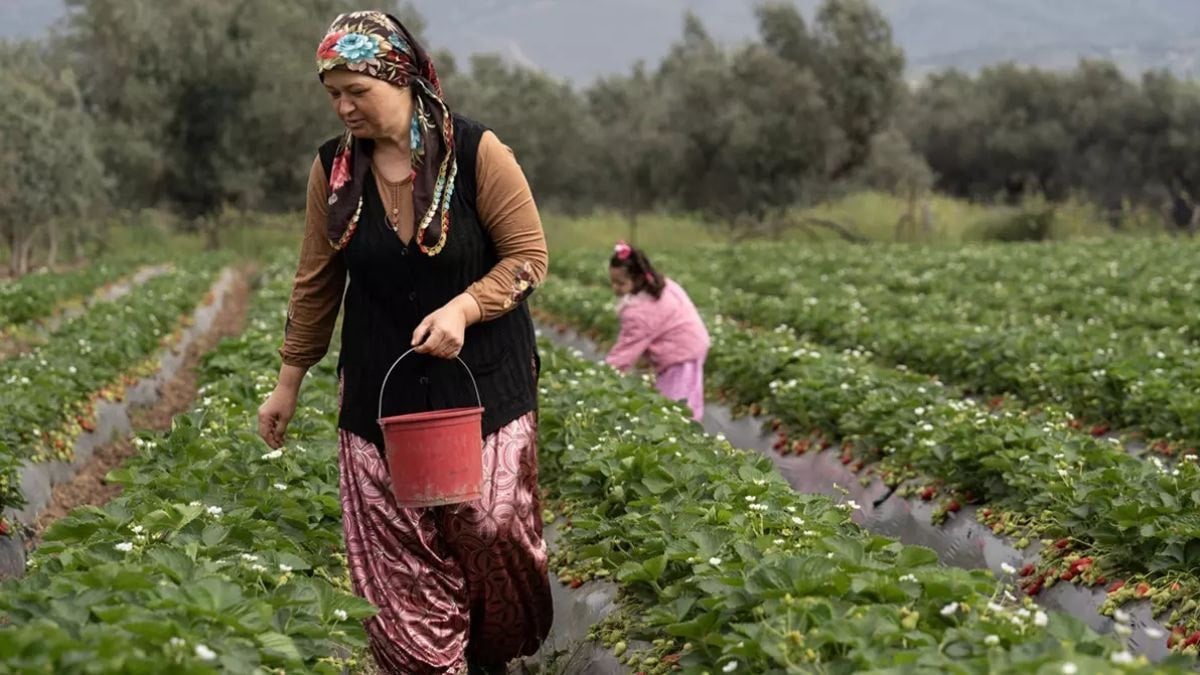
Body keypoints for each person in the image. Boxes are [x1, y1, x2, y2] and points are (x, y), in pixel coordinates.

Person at [255, 11, 552, 674]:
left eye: (356, 89)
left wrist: (466, 306)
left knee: (489, 527)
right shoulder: (332, 171)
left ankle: (487, 651)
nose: (343, 105)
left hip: (485, 382)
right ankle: (429, 664)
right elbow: (316, 282)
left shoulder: (476, 152)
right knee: (399, 555)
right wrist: (288, 382)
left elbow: (529, 257)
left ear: (401, 78)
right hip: (378, 390)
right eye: (333, 92)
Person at [605, 241, 710, 421]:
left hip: (681, 353)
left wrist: (604, 376)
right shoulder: (660, 286)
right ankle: (684, 431)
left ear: (637, 279)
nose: (615, 287)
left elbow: (625, 351)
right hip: (691, 344)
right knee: (685, 398)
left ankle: (681, 433)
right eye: (612, 282)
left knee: (675, 406)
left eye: (620, 283)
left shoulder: (640, 311)